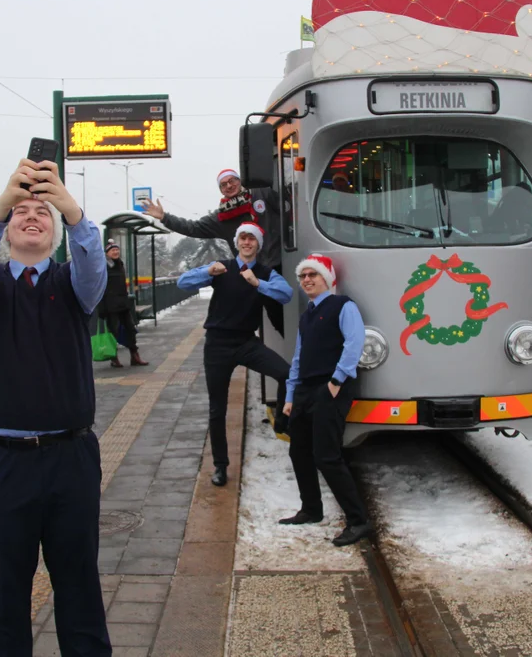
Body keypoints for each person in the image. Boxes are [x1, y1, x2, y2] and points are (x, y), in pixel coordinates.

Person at [0, 157, 111, 656]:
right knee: (3, 593)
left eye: (42, 211)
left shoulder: (73, 285)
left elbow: (93, 264)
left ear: (56, 228)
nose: (31, 216)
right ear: (6, 226)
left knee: (79, 588)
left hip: (70, 461)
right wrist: (1, 203)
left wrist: (74, 211)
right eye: (21, 210)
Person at [176, 222, 292, 486]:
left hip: (246, 343)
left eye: (252, 239)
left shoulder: (265, 273)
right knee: (218, 409)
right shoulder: (221, 267)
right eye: (243, 238)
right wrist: (207, 270)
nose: (247, 242)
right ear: (237, 242)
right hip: (217, 345)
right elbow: (183, 283)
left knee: (286, 373)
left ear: (258, 245)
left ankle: (282, 424)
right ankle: (220, 466)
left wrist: (258, 283)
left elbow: (286, 295)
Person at [279, 253, 373, 548]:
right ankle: (311, 509)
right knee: (299, 452)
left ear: (327, 279)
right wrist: (291, 395)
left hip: (330, 388)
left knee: (327, 456)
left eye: (313, 275)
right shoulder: (307, 315)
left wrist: (336, 381)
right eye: (303, 276)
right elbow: (298, 358)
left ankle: (359, 521)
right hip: (306, 390)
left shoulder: (342, 306)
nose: (307, 280)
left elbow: (355, 342)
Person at [143, 168, 285, 334]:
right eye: (223, 184)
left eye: (232, 181)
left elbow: (289, 208)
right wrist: (164, 217)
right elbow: (192, 227)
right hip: (251, 272)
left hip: (281, 263)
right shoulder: (221, 218)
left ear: (240, 181)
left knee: (288, 313)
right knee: (258, 318)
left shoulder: (261, 194)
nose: (229, 186)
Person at [100, 241, 148, 368]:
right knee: (113, 331)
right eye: (112, 250)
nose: (116, 252)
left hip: (122, 303)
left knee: (130, 329)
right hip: (110, 305)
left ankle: (134, 356)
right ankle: (113, 357)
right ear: (107, 253)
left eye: (117, 250)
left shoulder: (120, 264)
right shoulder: (103, 266)